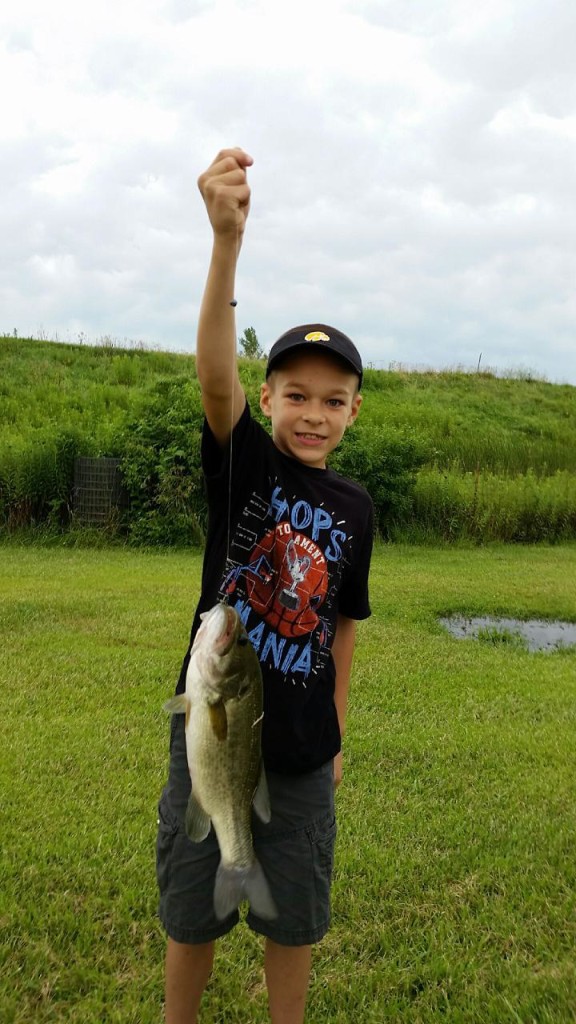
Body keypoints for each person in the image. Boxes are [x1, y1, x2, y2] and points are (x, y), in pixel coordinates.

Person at [156, 147, 374, 1024]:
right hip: (215, 733)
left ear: (355, 409)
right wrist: (225, 243)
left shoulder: (357, 510)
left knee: (297, 915)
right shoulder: (246, 466)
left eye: (332, 399)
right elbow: (214, 374)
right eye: (294, 394)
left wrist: (338, 730)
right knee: (190, 902)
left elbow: (345, 626)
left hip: (303, 753)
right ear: (270, 398)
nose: (312, 413)